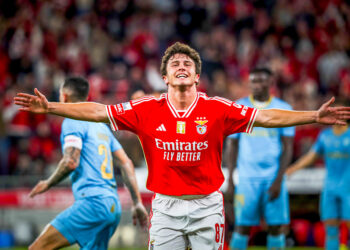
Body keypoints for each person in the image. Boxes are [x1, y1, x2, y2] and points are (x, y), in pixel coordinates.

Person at [14, 42, 350, 249]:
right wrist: (53, 108)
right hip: (166, 207)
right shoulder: (145, 109)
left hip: (207, 206)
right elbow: (98, 111)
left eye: (187, 63)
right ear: (165, 77)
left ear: (196, 76)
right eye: (174, 63)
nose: (181, 66)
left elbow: (266, 118)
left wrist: (312, 117)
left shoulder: (217, 108)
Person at [27, 77, 148, 250]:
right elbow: (126, 162)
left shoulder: (72, 121)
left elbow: (70, 162)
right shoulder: (101, 127)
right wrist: (137, 202)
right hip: (112, 207)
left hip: (92, 204)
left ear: (65, 97)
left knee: (37, 248)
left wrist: (47, 183)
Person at [225, 67, 294, 250]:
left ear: (271, 83)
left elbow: (287, 147)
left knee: (276, 227)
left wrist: (279, 179)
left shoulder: (283, 109)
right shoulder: (239, 107)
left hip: (273, 177)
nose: (256, 85)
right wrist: (230, 178)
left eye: (261, 81)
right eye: (253, 81)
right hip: (247, 179)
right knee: (241, 226)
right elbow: (232, 145)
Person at [286, 104, 350, 250]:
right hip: (330, 188)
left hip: (348, 188)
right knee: (331, 229)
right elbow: (311, 156)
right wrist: (291, 169)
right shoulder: (325, 135)